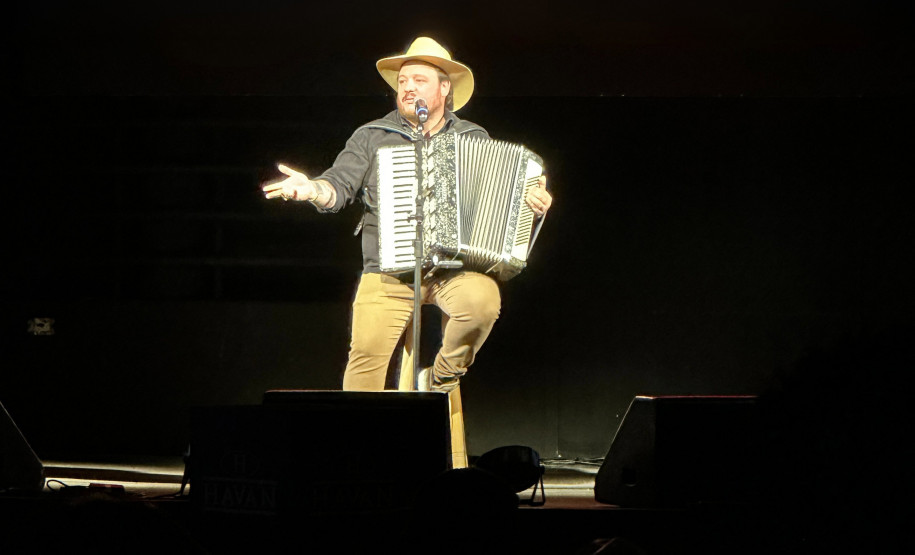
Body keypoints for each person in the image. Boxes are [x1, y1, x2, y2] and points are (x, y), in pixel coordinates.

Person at [262, 37, 552, 392]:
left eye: (419, 80)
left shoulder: (472, 137)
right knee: (365, 359)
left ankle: (440, 378)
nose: (408, 87)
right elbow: (338, 186)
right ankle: (359, 443)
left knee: (482, 304)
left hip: (453, 269)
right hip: (388, 273)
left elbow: (501, 200)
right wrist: (312, 190)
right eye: (403, 81)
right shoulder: (373, 136)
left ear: (445, 89)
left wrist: (532, 201)